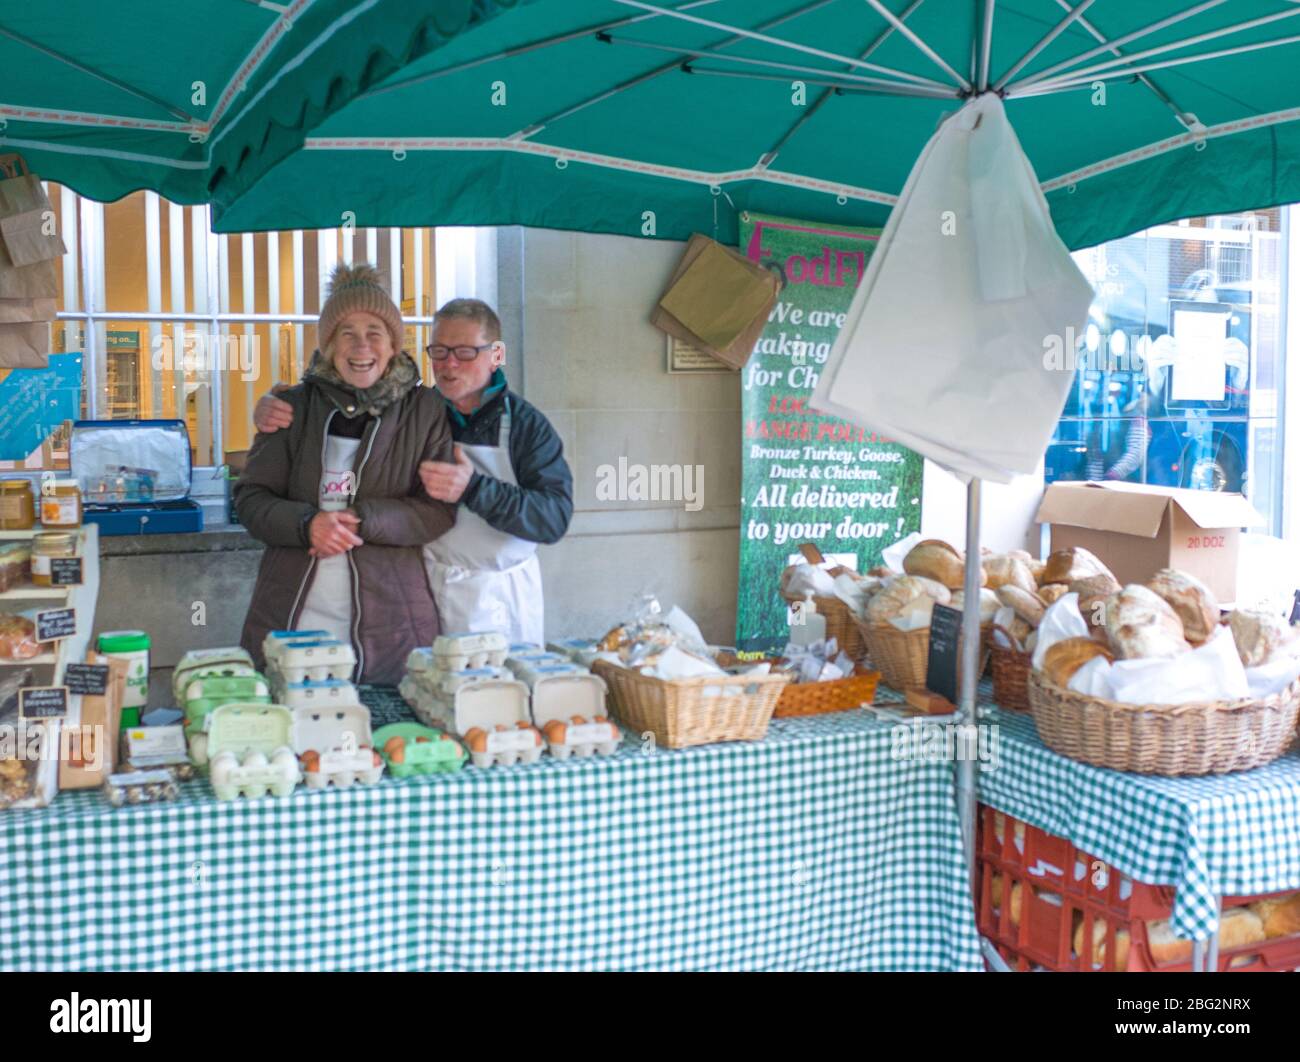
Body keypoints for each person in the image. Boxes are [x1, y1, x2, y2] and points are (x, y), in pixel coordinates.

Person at [253, 297, 573, 646]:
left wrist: (475, 488)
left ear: (495, 354)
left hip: (502, 593)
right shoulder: (419, 411)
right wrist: (274, 406)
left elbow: (552, 519)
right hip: (427, 585)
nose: (449, 365)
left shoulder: (526, 426)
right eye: (439, 351)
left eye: (465, 352)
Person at [236, 263, 457, 685]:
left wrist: (366, 519)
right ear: (328, 344)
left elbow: (439, 510)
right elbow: (250, 499)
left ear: (394, 344)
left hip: (392, 621)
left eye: (375, 331)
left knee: (388, 732)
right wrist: (306, 525)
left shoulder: (425, 410)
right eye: (346, 333)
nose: (361, 346)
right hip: (291, 616)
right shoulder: (291, 407)